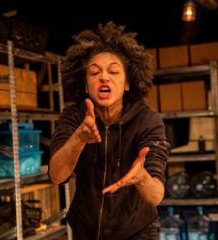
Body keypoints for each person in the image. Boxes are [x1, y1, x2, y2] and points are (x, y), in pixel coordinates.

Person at [49, 21, 170, 240]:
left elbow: (156, 196)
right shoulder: (74, 117)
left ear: (127, 83)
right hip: (85, 230)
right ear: (86, 85)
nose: (104, 77)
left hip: (137, 231)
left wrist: (142, 178)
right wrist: (78, 139)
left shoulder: (147, 120)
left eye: (113, 71)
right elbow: (57, 176)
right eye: (94, 73)